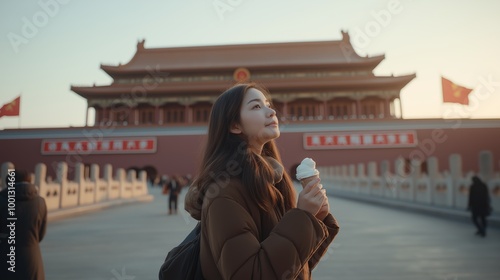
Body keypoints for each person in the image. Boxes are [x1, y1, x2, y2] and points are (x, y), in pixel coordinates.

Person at [184, 83, 339, 279]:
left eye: (268, 104)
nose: (271, 111)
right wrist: (302, 216)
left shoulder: (272, 182)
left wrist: (315, 219)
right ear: (234, 125)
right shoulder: (225, 193)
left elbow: (289, 270)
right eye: (256, 106)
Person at [0, 170, 47, 280]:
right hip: (32, 258)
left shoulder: (1, 200)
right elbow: (40, 234)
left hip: (6, 256)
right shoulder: (40, 202)